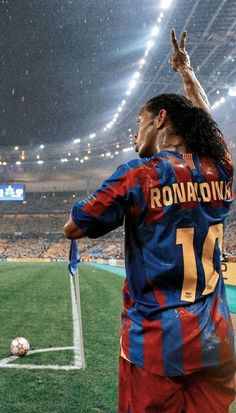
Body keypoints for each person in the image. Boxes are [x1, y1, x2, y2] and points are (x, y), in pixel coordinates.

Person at [64, 30, 235, 413]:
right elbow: (207, 122)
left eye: (140, 121)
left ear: (160, 119)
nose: (134, 131)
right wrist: (187, 73)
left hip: (157, 345)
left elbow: (74, 227)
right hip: (215, 342)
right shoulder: (220, 168)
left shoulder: (139, 175)